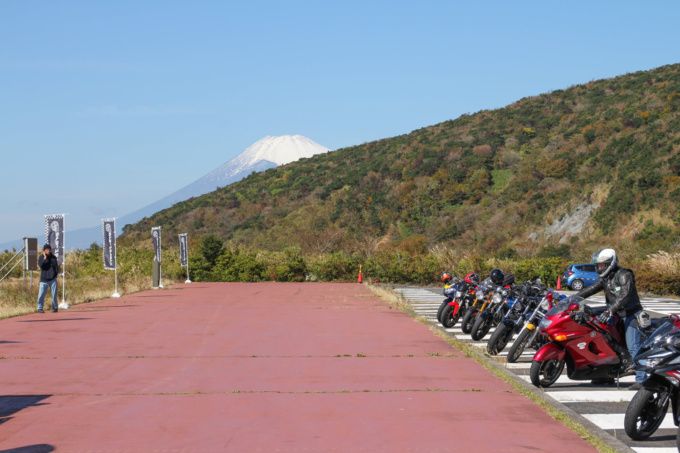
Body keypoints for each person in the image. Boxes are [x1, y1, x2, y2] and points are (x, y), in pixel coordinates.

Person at [576, 248, 645, 390]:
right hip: (614, 314)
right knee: (602, 340)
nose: (600, 267)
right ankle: (603, 375)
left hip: (630, 315)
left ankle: (642, 380)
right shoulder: (605, 278)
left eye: (602, 265)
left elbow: (625, 295)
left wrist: (611, 310)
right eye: (599, 265)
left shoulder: (624, 274)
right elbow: (592, 289)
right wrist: (574, 298)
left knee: (633, 347)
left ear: (610, 263)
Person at [37, 244, 60, 313]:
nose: (48, 251)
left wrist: (55, 275)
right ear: (44, 251)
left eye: (49, 249)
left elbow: (55, 266)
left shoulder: (53, 257)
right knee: (41, 294)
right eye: (47, 250)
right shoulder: (41, 257)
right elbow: (41, 265)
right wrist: (45, 259)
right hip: (44, 280)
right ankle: (40, 308)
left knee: (54, 294)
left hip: (53, 279)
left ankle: (55, 307)